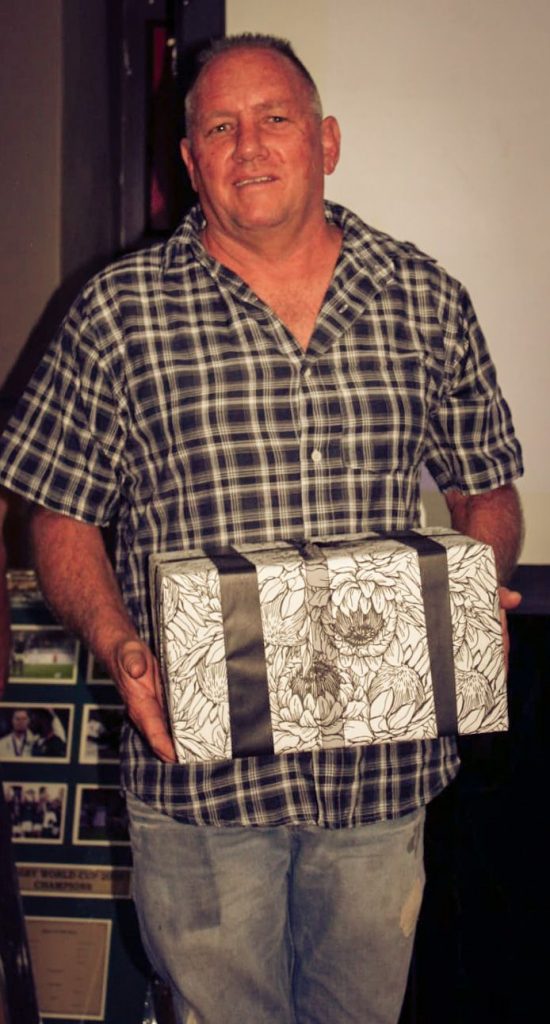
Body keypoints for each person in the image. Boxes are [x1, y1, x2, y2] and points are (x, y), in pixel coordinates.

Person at [0, 32, 523, 1024]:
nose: (248, 146)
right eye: (219, 128)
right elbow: (57, 511)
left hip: (379, 776)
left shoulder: (425, 299)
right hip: (199, 779)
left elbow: (487, 487)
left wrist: (471, 590)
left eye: (274, 118)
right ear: (189, 160)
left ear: (326, 141)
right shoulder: (118, 314)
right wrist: (117, 643)